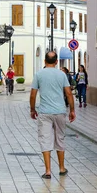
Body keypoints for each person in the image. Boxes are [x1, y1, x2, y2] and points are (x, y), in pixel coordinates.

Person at [30, 51, 76, 179]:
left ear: (44, 61)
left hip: (45, 112)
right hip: (60, 111)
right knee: (60, 138)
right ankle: (61, 168)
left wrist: (32, 109)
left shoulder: (39, 74)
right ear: (56, 62)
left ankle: (48, 170)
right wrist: (72, 110)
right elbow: (68, 93)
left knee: (45, 139)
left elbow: (33, 94)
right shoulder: (62, 75)